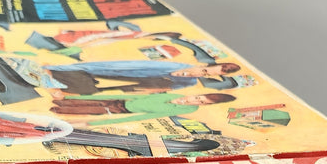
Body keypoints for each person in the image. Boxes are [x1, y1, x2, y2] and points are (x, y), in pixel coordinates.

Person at [40, 60, 240, 95]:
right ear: (203, 66)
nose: (199, 74)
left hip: (127, 84)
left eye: (206, 76)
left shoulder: (188, 81)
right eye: (204, 71)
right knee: (89, 70)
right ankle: (51, 71)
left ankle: (61, 86)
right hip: (117, 70)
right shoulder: (172, 65)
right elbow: (122, 66)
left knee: (89, 88)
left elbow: (160, 89)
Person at [49, 90, 236, 125]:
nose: (194, 101)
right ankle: (66, 100)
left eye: (201, 102)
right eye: (197, 97)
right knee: (61, 102)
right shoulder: (173, 95)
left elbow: (139, 117)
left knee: (60, 110)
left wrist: (94, 124)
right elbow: (132, 96)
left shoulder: (186, 110)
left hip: (117, 110)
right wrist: (70, 95)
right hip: (116, 100)